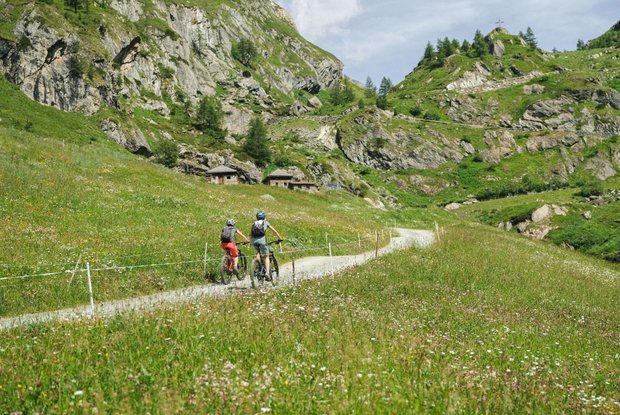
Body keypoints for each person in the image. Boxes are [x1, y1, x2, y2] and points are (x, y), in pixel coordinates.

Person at [250, 211, 283, 277]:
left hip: (254, 241)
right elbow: (274, 231)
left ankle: (258, 265)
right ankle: (267, 273)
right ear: (264, 217)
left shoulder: (254, 223)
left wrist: (251, 242)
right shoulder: (265, 222)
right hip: (262, 241)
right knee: (266, 256)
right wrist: (280, 238)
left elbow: (251, 233)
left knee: (258, 252)